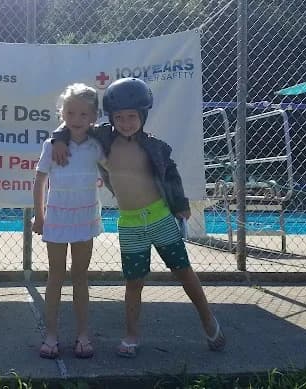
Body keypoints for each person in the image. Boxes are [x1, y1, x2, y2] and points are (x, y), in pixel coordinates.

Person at [50, 77, 225, 358]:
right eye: (119, 117)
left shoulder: (156, 147)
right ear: (110, 118)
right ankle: (131, 334)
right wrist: (58, 138)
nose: (126, 122)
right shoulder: (103, 138)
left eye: (132, 116)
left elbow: (171, 174)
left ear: (143, 115)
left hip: (160, 218)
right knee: (133, 282)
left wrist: (180, 203)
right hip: (129, 223)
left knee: (183, 270)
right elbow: (73, 125)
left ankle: (208, 319)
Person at [33, 83, 105, 359]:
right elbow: (39, 180)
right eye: (70, 113)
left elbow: (117, 155)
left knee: (80, 277)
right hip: (57, 218)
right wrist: (40, 215)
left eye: (83, 115)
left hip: (85, 218)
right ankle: (51, 335)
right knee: (55, 276)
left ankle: (82, 335)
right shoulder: (52, 145)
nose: (76, 120)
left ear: (93, 116)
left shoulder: (97, 144)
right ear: (62, 113)